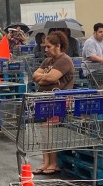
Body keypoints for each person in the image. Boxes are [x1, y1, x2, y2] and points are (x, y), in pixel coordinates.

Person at [31, 30, 74, 174]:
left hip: (60, 100)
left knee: (49, 129)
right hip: (44, 99)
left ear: (58, 45)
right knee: (43, 130)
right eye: (45, 46)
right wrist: (45, 76)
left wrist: (45, 77)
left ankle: (54, 163)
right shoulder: (48, 61)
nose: (46, 49)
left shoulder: (65, 60)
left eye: (48, 46)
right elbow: (35, 75)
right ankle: (45, 162)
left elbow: (50, 78)